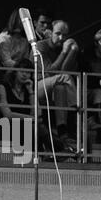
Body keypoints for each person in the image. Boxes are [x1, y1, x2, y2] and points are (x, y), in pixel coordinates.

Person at [32, 19, 79, 150]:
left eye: (64, 35)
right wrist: (64, 52)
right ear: (49, 33)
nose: (61, 38)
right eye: (58, 33)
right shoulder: (41, 46)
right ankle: (76, 110)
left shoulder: (62, 46)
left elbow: (63, 69)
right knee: (64, 78)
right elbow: (49, 72)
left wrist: (72, 52)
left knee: (61, 86)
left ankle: (62, 129)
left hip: (55, 85)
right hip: (37, 86)